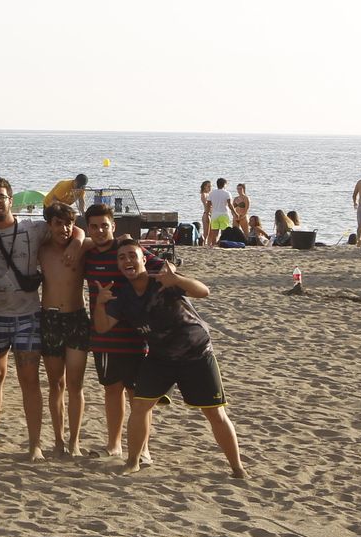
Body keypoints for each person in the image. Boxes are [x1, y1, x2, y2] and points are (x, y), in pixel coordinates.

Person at [94, 238, 246, 479]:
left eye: (132, 255)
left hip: (197, 353)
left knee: (215, 413)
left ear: (144, 259)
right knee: (141, 405)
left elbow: (203, 291)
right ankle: (133, 461)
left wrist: (177, 280)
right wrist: (99, 304)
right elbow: (102, 328)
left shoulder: (163, 281)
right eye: (122, 257)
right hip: (159, 358)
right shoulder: (122, 296)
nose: (127, 261)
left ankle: (237, 467)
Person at [0, 177, 53, 460]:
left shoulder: (33, 229)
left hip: (28, 313)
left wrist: (77, 241)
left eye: (1, 196)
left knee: (29, 378)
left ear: (11, 199)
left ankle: (34, 443)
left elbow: (70, 229)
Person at [81, 202, 163, 460]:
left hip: (136, 335)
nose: (99, 231)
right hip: (105, 338)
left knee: (138, 395)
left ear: (113, 226)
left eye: (104, 226)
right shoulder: (89, 254)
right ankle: (114, 444)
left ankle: (143, 449)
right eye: (94, 227)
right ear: (88, 229)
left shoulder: (127, 251)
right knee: (111, 390)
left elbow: (162, 267)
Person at [37, 202, 91, 457]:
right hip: (50, 320)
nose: (65, 228)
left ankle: (74, 442)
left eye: (69, 223)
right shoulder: (41, 249)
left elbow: (113, 239)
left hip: (77, 319)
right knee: (55, 383)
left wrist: (78, 240)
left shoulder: (80, 247)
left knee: (75, 384)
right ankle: (58, 440)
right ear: (50, 225)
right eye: (59, 223)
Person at [205, 179, 234, 247]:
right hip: (224, 214)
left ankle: (214, 245)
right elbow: (230, 204)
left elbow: (208, 205)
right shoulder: (227, 193)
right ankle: (223, 244)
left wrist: (207, 215)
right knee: (224, 232)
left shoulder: (212, 193)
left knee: (214, 233)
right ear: (224, 184)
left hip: (214, 214)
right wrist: (235, 212)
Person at [197, 182, 211, 246]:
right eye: (208, 186)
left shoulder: (209, 194)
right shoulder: (204, 194)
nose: (210, 188)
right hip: (206, 214)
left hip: (211, 214)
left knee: (211, 232)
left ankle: (209, 244)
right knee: (206, 232)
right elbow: (206, 205)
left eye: (210, 186)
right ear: (205, 187)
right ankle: (203, 243)